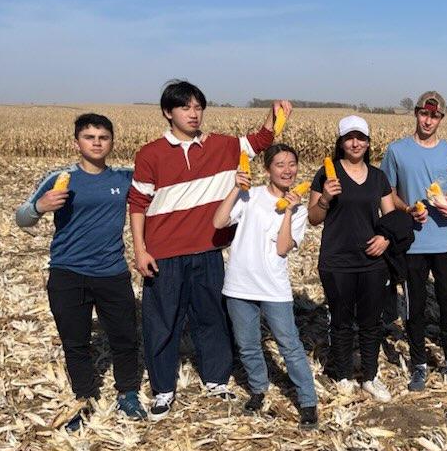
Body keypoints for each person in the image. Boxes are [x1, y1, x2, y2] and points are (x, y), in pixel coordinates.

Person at [128, 80, 288, 420]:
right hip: (165, 252)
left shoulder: (223, 146)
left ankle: (216, 380)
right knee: (162, 322)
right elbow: (138, 204)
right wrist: (140, 250)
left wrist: (274, 116)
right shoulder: (150, 154)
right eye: (185, 107)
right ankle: (163, 390)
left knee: (212, 317)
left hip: (208, 249)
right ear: (168, 113)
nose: (193, 114)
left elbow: (259, 141)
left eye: (198, 107)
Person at [16, 114, 144, 429]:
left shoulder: (125, 179)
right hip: (67, 272)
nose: (97, 142)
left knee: (125, 337)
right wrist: (39, 207)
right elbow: (22, 218)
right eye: (89, 137)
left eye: (103, 137)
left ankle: (127, 393)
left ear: (112, 142)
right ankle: (84, 399)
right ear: (77, 143)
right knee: (75, 342)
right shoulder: (60, 178)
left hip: (111, 272)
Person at [213, 143, 318, 428]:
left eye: (292, 164)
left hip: (274, 287)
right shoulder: (250, 196)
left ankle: (307, 401)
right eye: (280, 164)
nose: (287, 170)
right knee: (247, 345)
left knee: (290, 345)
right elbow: (219, 220)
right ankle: (259, 389)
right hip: (239, 284)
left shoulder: (299, 211)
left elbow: (283, 248)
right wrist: (235, 188)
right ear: (267, 169)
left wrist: (288, 211)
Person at [380, 92, 447, 391]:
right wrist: (406, 210)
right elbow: (387, 190)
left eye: (435, 116)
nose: (428, 120)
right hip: (412, 244)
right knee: (414, 308)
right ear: (416, 114)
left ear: (441, 119)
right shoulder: (397, 151)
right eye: (423, 114)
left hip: (443, 243)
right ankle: (418, 364)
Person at [309, 116, 397, 402]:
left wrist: (386, 239)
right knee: (342, 321)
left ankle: (370, 377)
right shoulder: (327, 175)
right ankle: (344, 374)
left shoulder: (378, 177)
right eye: (349, 137)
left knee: (371, 322)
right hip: (337, 260)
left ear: (369, 142)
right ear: (341, 142)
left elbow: (392, 217)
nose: (355, 143)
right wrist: (325, 198)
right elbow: (313, 218)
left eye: (360, 137)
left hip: (372, 262)